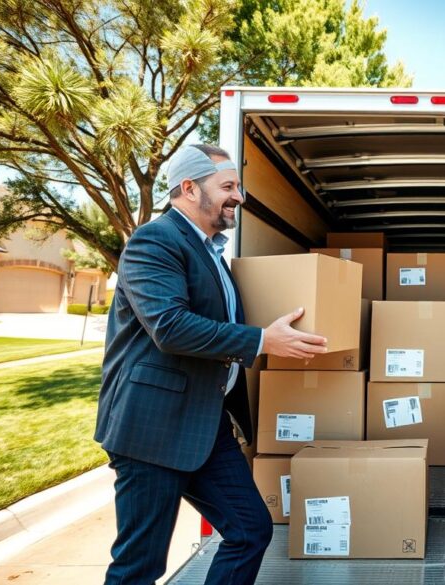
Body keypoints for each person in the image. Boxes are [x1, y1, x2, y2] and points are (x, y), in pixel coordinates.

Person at [94, 144, 329, 584]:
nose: (239, 196)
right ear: (188, 188)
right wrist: (262, 340)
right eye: (228, 186)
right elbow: (170, 326)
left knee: (250, 531)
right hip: (152, 430)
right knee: (140, 565)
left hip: (205, 423)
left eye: (237, 186)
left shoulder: (211, 252)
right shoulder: (154, 240)